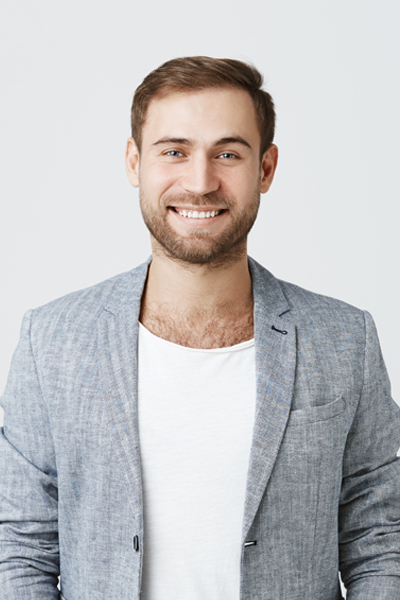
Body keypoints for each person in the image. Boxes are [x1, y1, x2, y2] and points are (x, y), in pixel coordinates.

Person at [0, 56, 399, 600]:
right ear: (135, 162)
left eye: (227, 154)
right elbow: (20, 546)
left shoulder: (345, 340)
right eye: (174, 152)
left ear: (265, 169)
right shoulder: (52, 341)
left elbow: (380, 538)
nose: (200, 182)